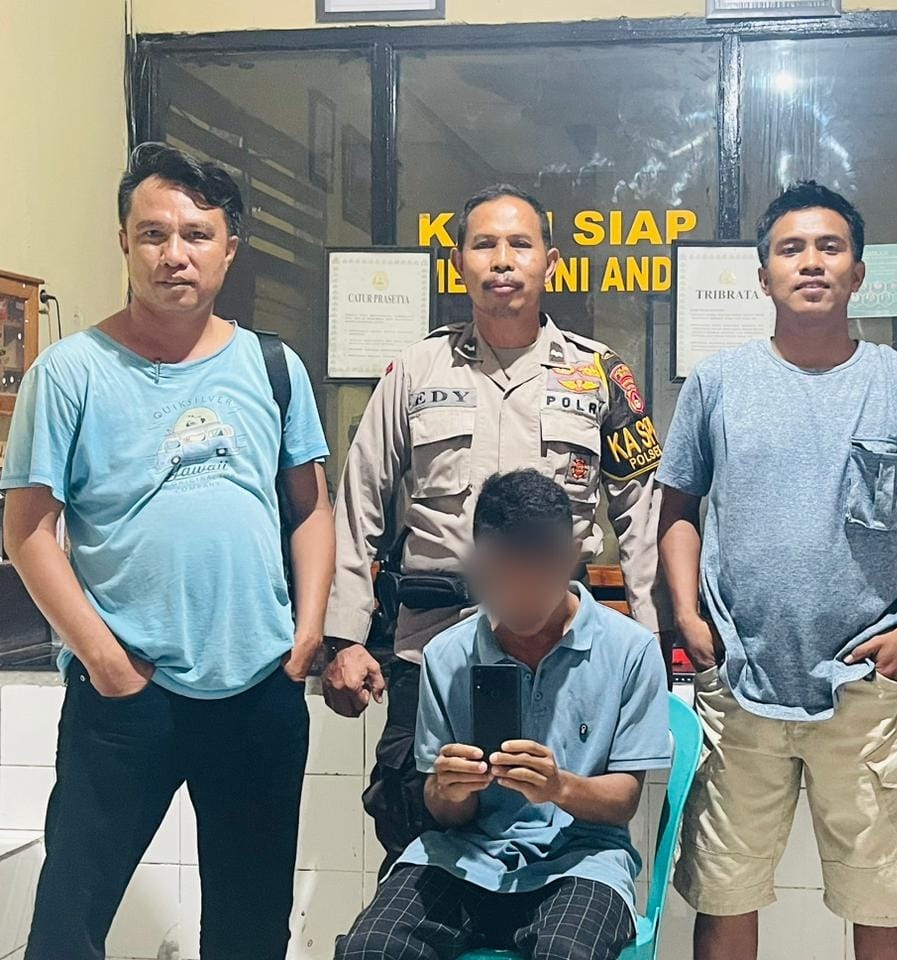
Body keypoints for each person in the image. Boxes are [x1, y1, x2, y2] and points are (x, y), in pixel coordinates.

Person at [1, 142, 334, 960]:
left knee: (250, 932)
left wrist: (306, 636)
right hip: (125, 697)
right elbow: (28, 530)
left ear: (229, 248)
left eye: (196, 234)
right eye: (152, 233)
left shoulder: (274, 367)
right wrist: (105, 661)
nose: (173, 254)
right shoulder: (70, 372)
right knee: (66, 929)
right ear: (124, 241)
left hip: (258, 688)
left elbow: (312, 511)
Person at [658, 180, 897, 960]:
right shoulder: (718, 383)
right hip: (739, 684)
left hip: (862, 689)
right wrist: (689, 616)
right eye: (791, 249)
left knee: (884, 901)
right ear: (763, 276)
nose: (811, 262)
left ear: (858, 272)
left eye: (830, 247)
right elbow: (679, 508)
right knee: (725, 896)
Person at [322, 184, 669, 874]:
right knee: (417, 829)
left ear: (551, 263)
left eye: (519, 244)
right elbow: (358, 501)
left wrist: (653, 641)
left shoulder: (601, 373)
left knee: (558, 829)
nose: (502, 260)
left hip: (559, 656)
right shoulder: (415, 372)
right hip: (432, 652)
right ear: (459, 263)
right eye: (484, 245)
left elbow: (642, 514)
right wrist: (345, 636)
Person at [335, 468, 670, 960]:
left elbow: (624, 802)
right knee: (371, 949)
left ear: (570, 558)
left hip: (582, 862)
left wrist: (559, 787)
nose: (522, 593)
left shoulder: (630, 651)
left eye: (539, 573)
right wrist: (450, 790)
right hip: (463, 857)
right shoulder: (447, 655)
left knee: (564, 952)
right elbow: (445, 813)